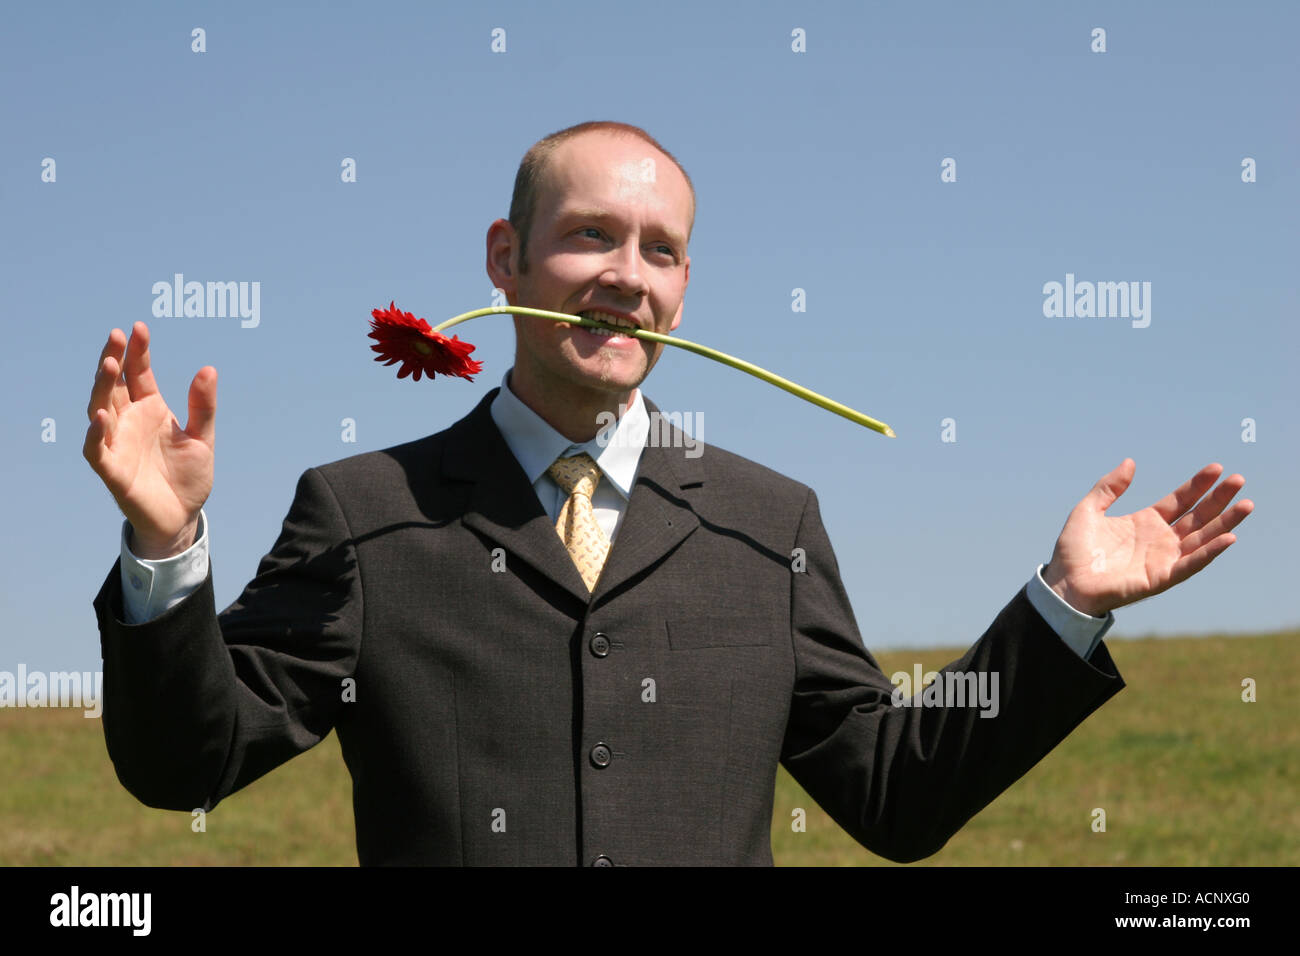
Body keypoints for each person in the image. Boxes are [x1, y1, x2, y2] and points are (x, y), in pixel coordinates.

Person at [85, 121, 1254, 866]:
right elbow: (186, 763)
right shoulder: (365, 511)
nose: (625, 279)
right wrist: (163, 537)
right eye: (590, 236)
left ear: (686, 286)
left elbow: (895, 795)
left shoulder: (770, 522)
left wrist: (1062, 603)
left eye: (659, 251)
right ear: (504, 258)